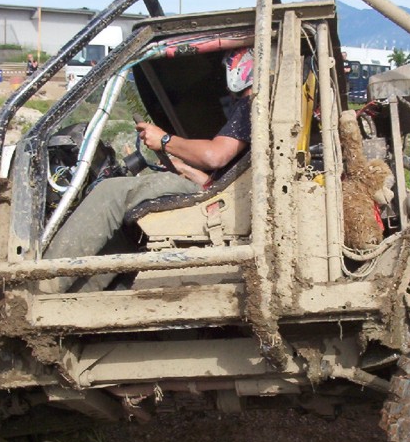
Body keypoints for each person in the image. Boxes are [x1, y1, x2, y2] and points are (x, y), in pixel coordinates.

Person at [43, 46, 254, 292]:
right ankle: (72, 298)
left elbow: (214, 156)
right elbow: (216, 179)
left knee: (112, 192)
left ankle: (41, 285)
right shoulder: (254, 106)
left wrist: (165, 140)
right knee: (127, 222)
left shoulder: (251, 104)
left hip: (219, 202)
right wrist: (180, 167)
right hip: (217, 191)